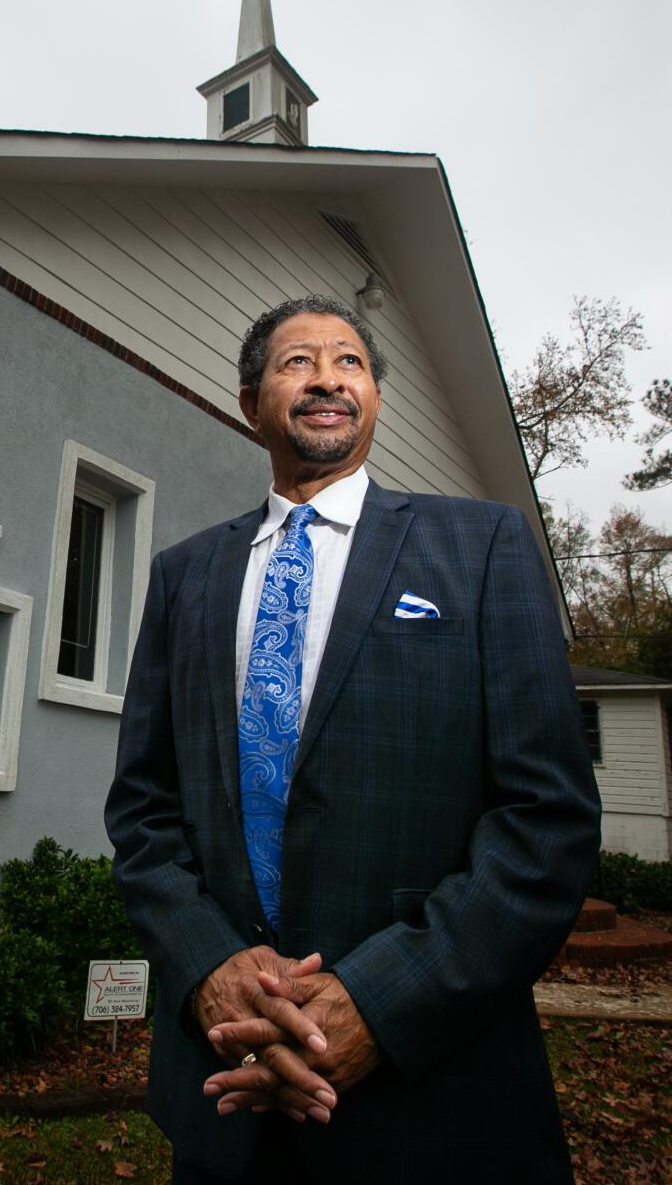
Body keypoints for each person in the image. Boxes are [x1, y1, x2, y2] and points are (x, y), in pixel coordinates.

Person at [104, 296, 600, 1182]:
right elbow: (143, 810)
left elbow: (547, 820)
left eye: (350, 362)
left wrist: (379, 1003)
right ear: (250, 399)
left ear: (371, 398)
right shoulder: (184, 577)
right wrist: (208, 966)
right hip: (227, 1091)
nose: (328, 377)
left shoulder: (482, 546)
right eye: (298, 362)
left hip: (434, 1101)